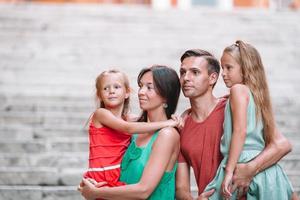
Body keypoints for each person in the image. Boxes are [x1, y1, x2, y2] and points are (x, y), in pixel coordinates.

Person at [176, 49, 293, 200]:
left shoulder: (234, 107)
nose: (186, 78)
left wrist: (249, 169)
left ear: (212, 78)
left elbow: (282, 145)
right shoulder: (182, 125)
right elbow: (181, 189)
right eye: (182, 72)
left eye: (195, 72)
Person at [78, 65, 181, 199]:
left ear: (166, 96)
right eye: (140, 86)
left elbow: (144, 191)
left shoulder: (167, 134)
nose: (141, 92)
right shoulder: (133, 131)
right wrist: (92, 182)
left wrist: (96, 192)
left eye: (149, 87)